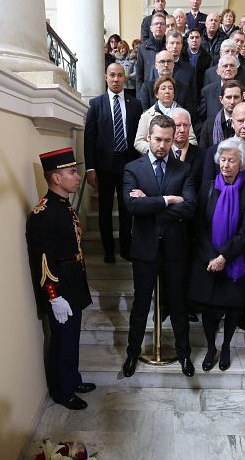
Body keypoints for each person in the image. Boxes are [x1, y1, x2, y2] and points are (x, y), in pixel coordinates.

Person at [122, 114, 196, 378]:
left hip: (175, 249)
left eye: (167, 139)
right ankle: (132, 354)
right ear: (149, 137)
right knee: (141, 304)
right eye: (157, 139)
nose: (162, 145)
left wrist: (150, 203)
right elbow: (132, 206)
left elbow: (189, 208)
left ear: (174, 137)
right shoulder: (133, 168)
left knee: (177, 304)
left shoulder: (183, 169)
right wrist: (166, 200)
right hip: (144, 248)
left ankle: (184, 355)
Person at [26, 148, 96, 412]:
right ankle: (62, 391)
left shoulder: (64, 206)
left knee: (72, 339)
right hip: (61, 290)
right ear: (56, 178)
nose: (77, 177)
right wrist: (54, 297)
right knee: (61, 342)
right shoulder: (43, 213)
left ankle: (72, 379)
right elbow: (43, 261)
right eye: (72, 172)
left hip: (73, 282)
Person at [188, 137, 245, 372]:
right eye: (224, 160)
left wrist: (224, 257)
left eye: (232, 160)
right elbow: (199, 226)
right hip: (208, 261)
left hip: (233, 261)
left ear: (242, 164)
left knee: (231, 309)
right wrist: (212, 257)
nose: (226, 165)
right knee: (209, 310)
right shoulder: (208, 187)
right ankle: (211, 347)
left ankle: (226, 346)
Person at [84, 63, 144, 263]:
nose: (116, 79)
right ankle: (108, 250)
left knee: (127, 209)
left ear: (125, 78)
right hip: (104, 166)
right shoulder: (96, 104)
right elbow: (89, 139)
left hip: (129, 164)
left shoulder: (135, 104)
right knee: (105, 209)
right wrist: (90, 168)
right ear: (105, 77)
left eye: (120, 75)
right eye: (112, 75)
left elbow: (140, 136)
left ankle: (126, 249)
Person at [133, 76, 196, 155]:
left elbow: (192, 140)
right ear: (156, 94)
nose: (167, 91)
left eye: (170, 88)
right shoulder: (147, 115)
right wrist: (157, 150)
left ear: (174, 93)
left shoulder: (183, 114)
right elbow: (139, 142)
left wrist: (178, 152)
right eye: (163, 88)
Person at [138, 49, 196, 114]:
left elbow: (189, 113)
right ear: (156, 65)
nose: (166, 65)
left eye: (169, 61)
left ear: (174, 65)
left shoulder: (184, 88)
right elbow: (145, 112)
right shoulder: (147, 88)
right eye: (162, 62)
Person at [199, 79, 243, 149]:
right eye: (228, 97)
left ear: (242, 99)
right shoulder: (209, 125)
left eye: (236, 97)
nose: (232, 102)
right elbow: (203, 153)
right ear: (221, 99)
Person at [135, 12, 168, 97]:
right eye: (156, 24)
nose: (159, 26)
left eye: (162, 23)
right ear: (151, 28)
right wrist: (139, 96)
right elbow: (139, 75)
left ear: (166, 27)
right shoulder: (143, 48)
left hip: (167, 91)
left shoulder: (170, 46)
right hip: (149, 92)